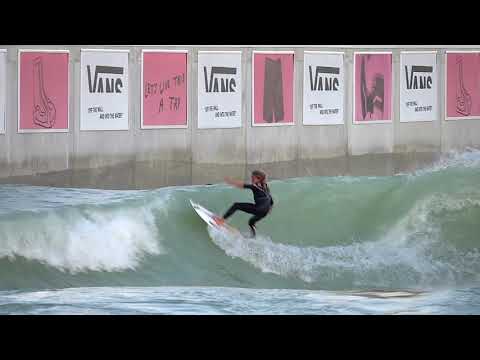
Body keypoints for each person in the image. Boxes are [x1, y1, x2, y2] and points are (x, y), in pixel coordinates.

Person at [215, 170, 274, 237]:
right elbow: (271, 201)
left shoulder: (255, 186)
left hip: (258, 208)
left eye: (253, 178)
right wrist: (269, 210)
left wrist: (229, 181)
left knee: (236, 205)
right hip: (265, 212)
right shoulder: (266, 187)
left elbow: (241, 185)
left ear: (259, 179)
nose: (251, 179)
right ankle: (253, 236)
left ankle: (221, 221)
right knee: (251, 222)